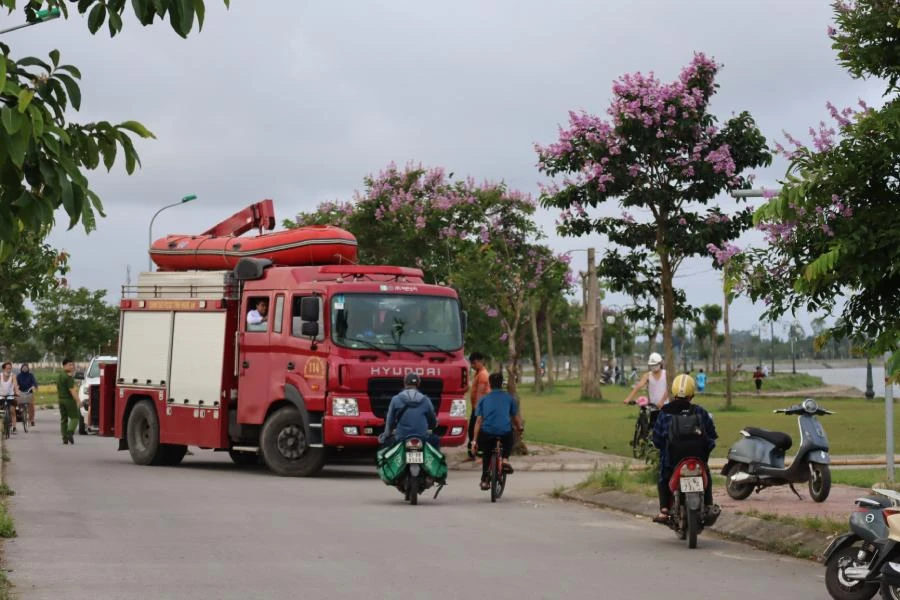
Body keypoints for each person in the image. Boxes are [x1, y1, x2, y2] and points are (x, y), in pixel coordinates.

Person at [651, 374, 718, 522]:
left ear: (673, 393)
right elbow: (712, 436)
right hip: (698, 460)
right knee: (707, 474)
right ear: (692, 394)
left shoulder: (665, 412)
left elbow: (657, 439)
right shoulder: (700, 412)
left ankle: (664, 510)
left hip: (672, 462)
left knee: (663, 478)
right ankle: (708, 505)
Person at [471, 372, 524, 490]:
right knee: (509, 438)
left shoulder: (483, 399)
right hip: (505, 432)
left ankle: (485, 480)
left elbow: (478, 421)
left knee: (487, 454)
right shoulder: (509, 398)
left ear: (490, 384)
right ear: (502, 384)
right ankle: (505, 459)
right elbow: (515, 418)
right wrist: (520, 427)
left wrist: (474, 441)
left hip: (487, 432)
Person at [378, 372, 438, 448]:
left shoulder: (396, 399)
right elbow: (432, 422)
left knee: (386, 449)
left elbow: (390, 423)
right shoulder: (426, 400)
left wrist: (385, 436)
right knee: (436, 440)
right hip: (423, 438)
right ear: (418, 384)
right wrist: (430, 426)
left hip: (401, 438)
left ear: (404, 383)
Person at [466, 352, 490, 459]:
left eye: (474, 363)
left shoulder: (483, 375)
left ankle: (479, 454)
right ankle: (472, 454)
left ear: (480, 361)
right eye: (472, 364)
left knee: (474, 431)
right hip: (476, 408)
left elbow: (480, 394)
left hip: (480, 408)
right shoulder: (478, 373)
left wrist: (477, 410)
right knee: (472, 431)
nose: (473, 366)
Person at [56, 358, 80, 445]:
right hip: (69, 400)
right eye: (70, 365)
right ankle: (70, 433)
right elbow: (72, 390)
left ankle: (64, 438)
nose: (72, 366)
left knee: (64, 419)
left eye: (72, 365)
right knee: (75, 417)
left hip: (60, 400)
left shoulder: (60, 375)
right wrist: (78, 400)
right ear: (64, 365)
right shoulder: (68, 377)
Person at [16, 362, 37, 428]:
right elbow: (16, 383)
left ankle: (31, 419)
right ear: (21, 368)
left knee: (31, 406)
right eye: (23, 368)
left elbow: (34, 382)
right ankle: (22, 414)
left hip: (29, 392)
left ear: (28, 368)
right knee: (19, 403)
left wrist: (34, 386)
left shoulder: (31, 375)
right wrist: (17, 388)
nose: (24, 369)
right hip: (21, 392)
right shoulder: (19, 376)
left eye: (26, 368)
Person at [0, 362, 19, 433]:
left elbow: (15, 384)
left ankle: (14, 427)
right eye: (7, 368)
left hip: (10, 396)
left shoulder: (13, 376)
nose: (9, 370)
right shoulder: (0, 376)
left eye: (10, 368)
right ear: (3, 369)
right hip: (1, 395)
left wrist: (17, 392)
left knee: (12, 411)